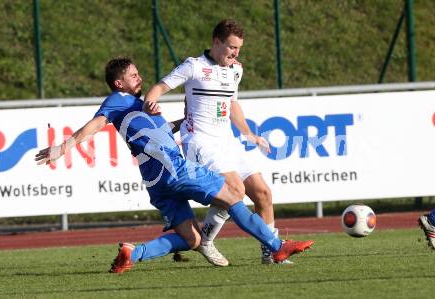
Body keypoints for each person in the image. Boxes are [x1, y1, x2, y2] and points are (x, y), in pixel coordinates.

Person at [35, 57, 314, 273]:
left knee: (192, 239)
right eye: (133, 75)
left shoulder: (140, 107)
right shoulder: (117, 101)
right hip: (175, 170)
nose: (139, 77)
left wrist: (186, 119)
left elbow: (163, 132)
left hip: (158, 185)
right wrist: (62, 148)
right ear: (118, 83)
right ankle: (277, 246)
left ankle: (134, 253)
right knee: (234, 195)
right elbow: (94, 126)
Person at [143, 19, 305, 265]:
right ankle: (206, 241)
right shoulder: (193, 66)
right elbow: (159, 87)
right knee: (235, 191)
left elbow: (232, 104)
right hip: (200, 141)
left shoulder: (235, 70)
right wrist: (150, 103)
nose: (235, 53)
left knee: (263, 193)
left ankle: (270, 254)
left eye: (239, 48)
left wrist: (249, 133)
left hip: (227, 140)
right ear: (216, 42)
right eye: (231, 47)